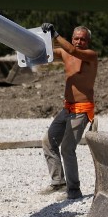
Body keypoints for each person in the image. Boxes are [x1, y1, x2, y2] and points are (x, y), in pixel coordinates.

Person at [39, 23, 98, 201]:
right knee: (48, 141)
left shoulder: (90, 56)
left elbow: (73, 51)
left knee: (67, 148)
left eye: (83, 39)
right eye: (76, 38)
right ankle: (58, 181)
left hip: (82, 110)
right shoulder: (65, 52)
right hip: (67, 108)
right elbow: (44, 53)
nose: (79, 41)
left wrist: (55, 34)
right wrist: (23, 42)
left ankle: (74, 190)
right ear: (72, 38)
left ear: (88, 41)